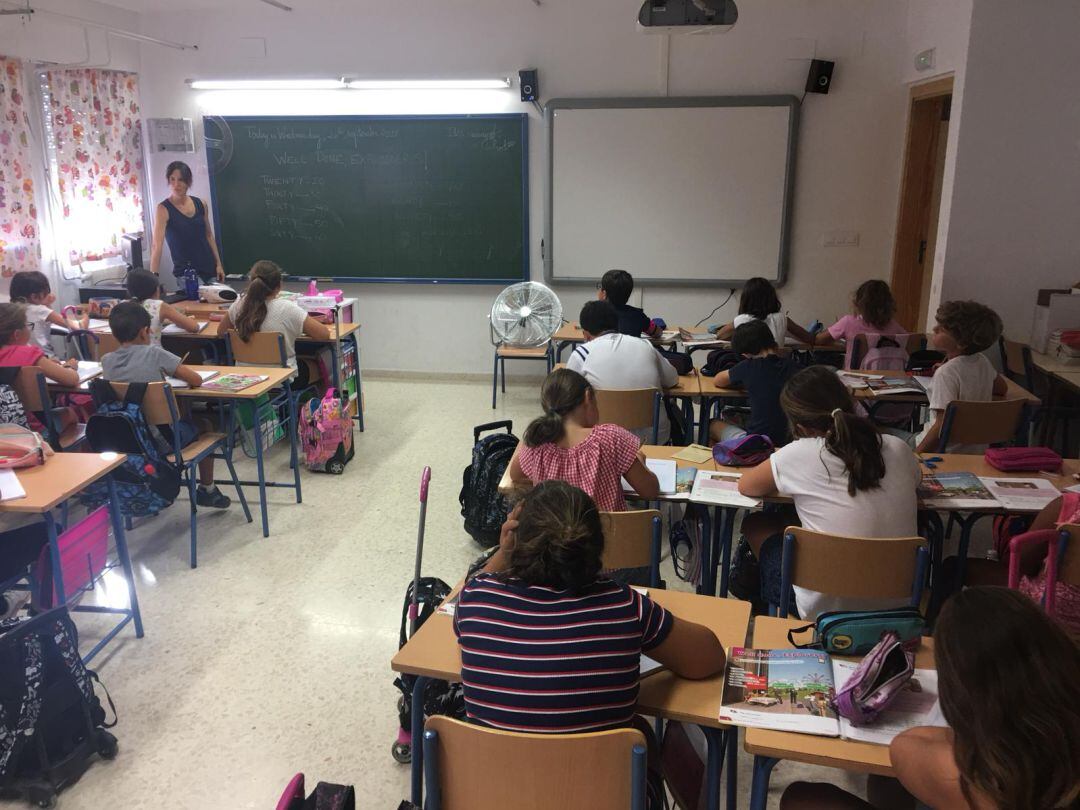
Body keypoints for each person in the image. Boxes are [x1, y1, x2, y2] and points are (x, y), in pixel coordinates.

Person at [457, 481, 727, 806]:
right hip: (602, 798)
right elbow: (709, 657)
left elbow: (476, 590)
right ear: (597, 546)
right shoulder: (623, 606)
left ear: (516, 541)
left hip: (498, 797)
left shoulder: (476, 600)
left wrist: (503, 553)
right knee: (639, 732)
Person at [780, 587, 1080, 810]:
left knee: (802, 799)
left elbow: (906, 746)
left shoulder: (974, 776)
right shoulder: (1055, 746)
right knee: (887, 782)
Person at [737, 365, 920, 618]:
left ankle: (778, 611)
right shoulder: (898, 447)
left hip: (822, 608)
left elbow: (746, 485)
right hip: (898, 602)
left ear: (799, 427)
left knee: (756, 524)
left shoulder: (798, 454)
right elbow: (917, 481)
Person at [102, 302, 230, 509]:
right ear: (145, 331)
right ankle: (208, 489)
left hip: (126, 440)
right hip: (161, 441)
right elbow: (196, 379)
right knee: (206, 425)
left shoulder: (106, 361)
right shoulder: (155, 354)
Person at [508, 368, 660, 510]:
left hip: (554, 537)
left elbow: (515, 475)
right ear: (588, 397)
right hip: (608, 537)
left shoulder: (538, 441)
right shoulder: (611, 437)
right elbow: (650, 491)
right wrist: (639, 461)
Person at [567, 300, 678, 443]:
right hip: (652, 438)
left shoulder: (582, 354)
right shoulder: (645, 346)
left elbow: (567, 399)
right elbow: (672, 379)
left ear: (586, 335)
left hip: (603, 442)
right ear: (617, 325)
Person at [911, 300, 1007, 453]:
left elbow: (941, 427)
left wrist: (915, 457)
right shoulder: (982, 361)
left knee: (887, 442)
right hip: (976, 452)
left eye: (941, 329)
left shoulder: (946, 374)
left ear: (961, 342)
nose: (935, 329)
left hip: (942, 452)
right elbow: (1002, 388)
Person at [219, 260, 330, 386]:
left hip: (245, 379)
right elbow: (324, 335)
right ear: (279, 286)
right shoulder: (288, 309)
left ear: (252, 282)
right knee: (323, 364)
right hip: (281, 380)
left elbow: (221, 332)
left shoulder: (238, 306)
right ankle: (317, 404)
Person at [708, 320, 797, 446]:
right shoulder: (796, 367)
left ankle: (723, 462)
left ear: (744, 353)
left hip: (756, 444)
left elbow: (718, 380)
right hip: (790, 443)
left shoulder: (748, 367)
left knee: (711, 425)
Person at [0, 302, 80, 434]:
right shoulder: (26, 354)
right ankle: (63, 452)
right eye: (28, 325)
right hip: (31, 430)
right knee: (70, 412)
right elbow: (71, 380)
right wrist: (70, 367)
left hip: (4, 433)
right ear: (16, 334)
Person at [598, 269, 692, 374]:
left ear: (604, 293)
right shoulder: (637, 315)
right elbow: (657, 333)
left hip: (604, 364)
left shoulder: (594, 314)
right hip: (634, 364)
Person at [149, 161, 226, 284]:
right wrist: (153, 279)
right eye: (172, 179)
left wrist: (219, 264)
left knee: (222, 298)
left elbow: (209, 236)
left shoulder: (201, 204)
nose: (176, 184)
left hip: (209, 269)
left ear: (188, 182)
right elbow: (156, 246)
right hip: (187, 273)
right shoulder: (163, 209)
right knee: (199, 300)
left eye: (180, 180)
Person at [816, 279, 907, 368]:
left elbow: (818, 340)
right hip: (889, 380)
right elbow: (910, 342)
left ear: (859, 303)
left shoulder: (848, 322)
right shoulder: (894, 326)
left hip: (853, 379)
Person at [8, 270, 88, 357]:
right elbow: (79, 328)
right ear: (34, 297)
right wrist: (86, 312)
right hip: (43, 358)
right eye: (45, 293)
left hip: (19, 359)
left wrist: (46, 303)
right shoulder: (40, 310)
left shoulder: (10, 309)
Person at [713, 277, 815, 345]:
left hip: (748, 370)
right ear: (772, 298)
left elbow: (720, 336)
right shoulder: (782, 319)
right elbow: (809, 339)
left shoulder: (741, 320)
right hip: (778, 370)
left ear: (746, 299)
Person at [125, 269, 201, 346]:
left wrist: (168, 321)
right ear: (157, 289)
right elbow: (194, 327)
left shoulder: (124, 306)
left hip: (129, 357)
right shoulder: (158, 305)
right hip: (154, 356)